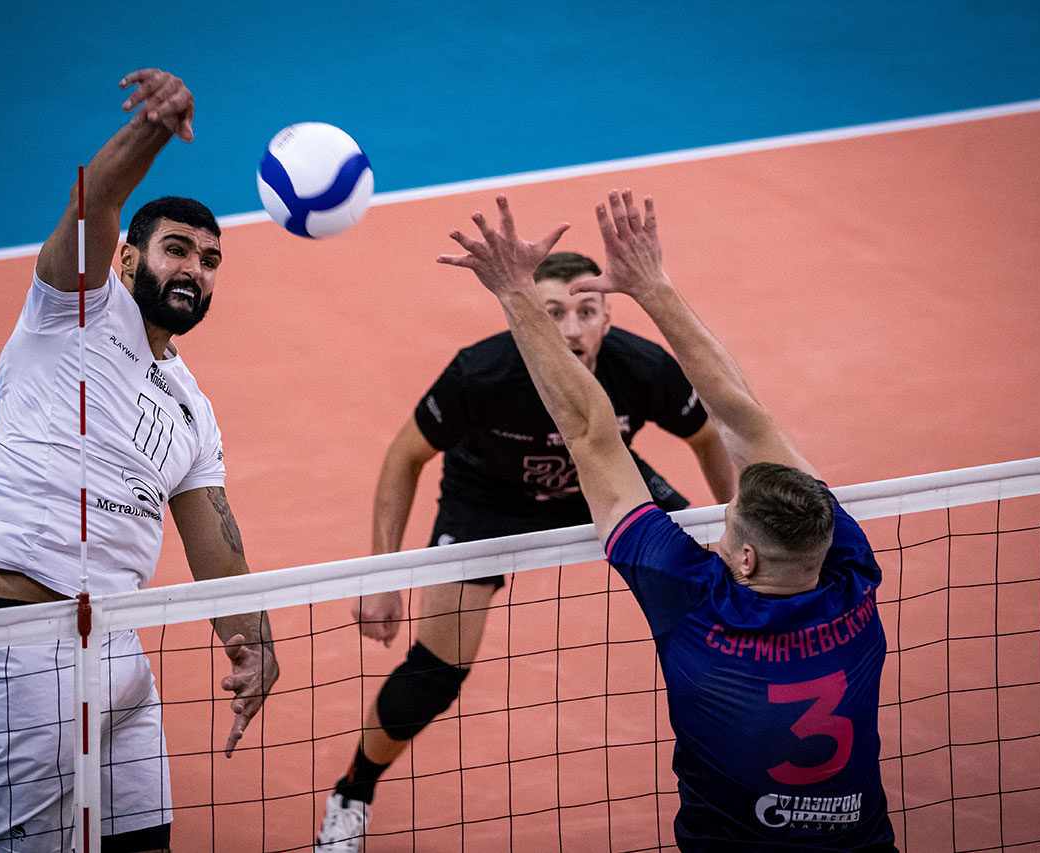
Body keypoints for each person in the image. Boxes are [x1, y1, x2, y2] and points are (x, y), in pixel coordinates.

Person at [428, 190, 897, 850]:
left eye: (728, 522)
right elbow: (747, 421)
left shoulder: (698, 608)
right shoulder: (851, 574)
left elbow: (590, 433)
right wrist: (652, 288)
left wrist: (518, 293)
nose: (719, 524)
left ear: (745, 559)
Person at [0, 69, 279, 853]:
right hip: (21, 646)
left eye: (211, 259)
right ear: (126, 259)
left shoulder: (193, 406)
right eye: (177, 249)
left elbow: (218, 544)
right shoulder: (75, 310)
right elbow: (92, 204)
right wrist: (154, 128)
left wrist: (255, 639)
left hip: (119, 649)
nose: (195, 268)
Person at [315, 247, 735, 847]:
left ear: (608, 318)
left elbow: (710, 436)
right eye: (552, 312)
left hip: (603, 480)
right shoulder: (481, 373)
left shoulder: (641, 367)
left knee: (717, 604)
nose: (572, 329)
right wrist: (382, 577)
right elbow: (404, 455)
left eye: (586, 311)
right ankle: (353, 792)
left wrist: (735, 533)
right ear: (525, 318)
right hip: (486, 498)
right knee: (435, 673)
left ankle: (736, 770)